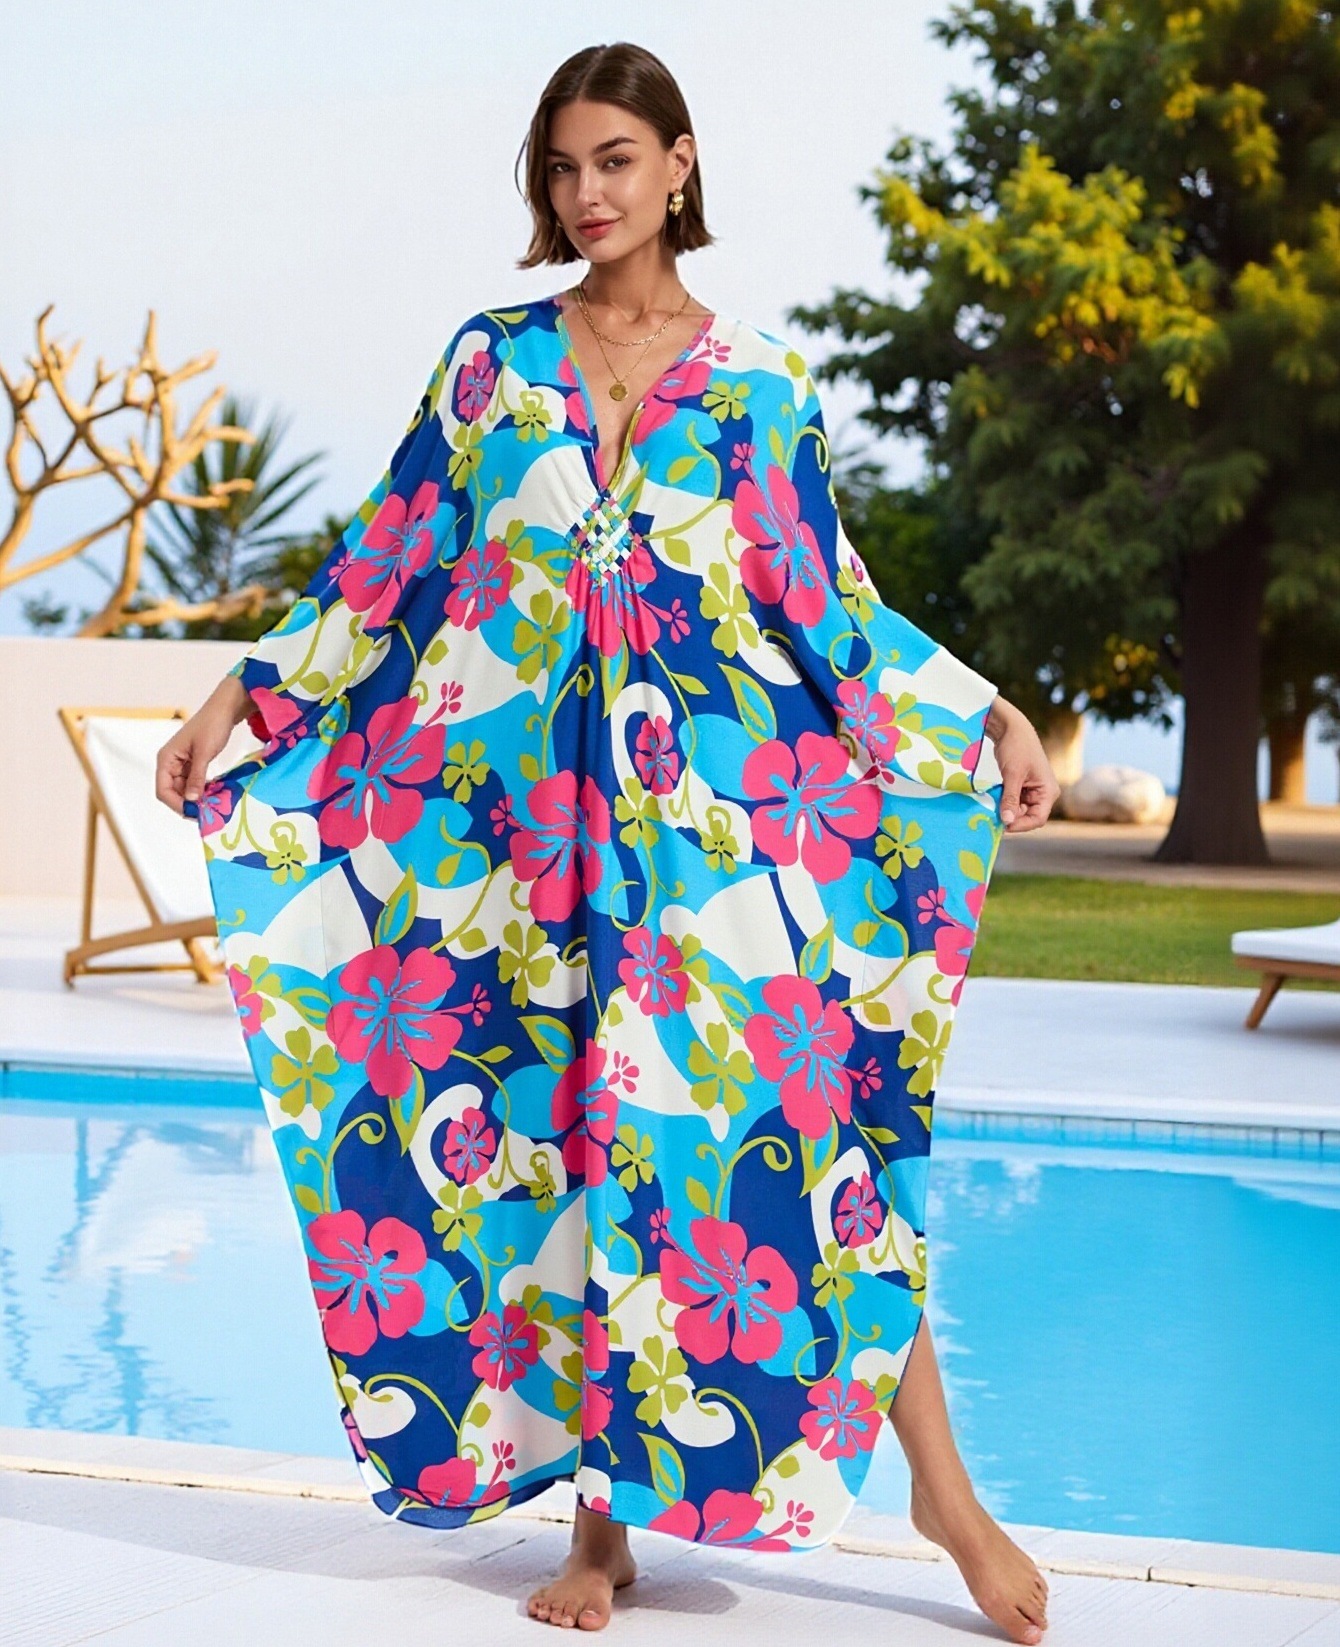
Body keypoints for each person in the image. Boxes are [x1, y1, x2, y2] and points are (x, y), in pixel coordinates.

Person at [158, 40, 1058, 1644]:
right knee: (574, 1149)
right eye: (565, 167)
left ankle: (946, 1492)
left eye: (617, 161)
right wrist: (239, 696)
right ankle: (601, 1528)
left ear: (679, 164)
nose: (588, 194)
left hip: (719, 847)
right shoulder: (490, 365)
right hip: (526, 856)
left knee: (827, 1138)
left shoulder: (762, 382)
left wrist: (983, 713)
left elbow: (830, 605)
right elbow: (384, 563)